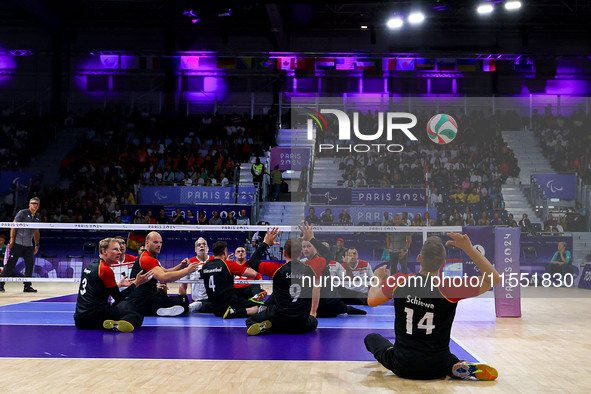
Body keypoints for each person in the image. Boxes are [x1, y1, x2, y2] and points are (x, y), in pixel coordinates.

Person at [364, 233, 500, 381]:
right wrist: (468, 248)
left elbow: (371, 300)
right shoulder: (449, 288)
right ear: (443, 263)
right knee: (442, 355)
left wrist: (378, 278)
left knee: (372, 338)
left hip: (403, 365)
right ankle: (454, 366)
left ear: (418, 259)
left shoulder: (398, 281)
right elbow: (494, 279)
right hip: (438, 367)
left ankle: (453, 365)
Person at [245, 227, 321, 335]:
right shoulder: (310, 271)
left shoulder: (276, 269)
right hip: (300, 323)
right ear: (300, 253)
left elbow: (252, 262)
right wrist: (313, 313)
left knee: (250, 320)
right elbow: (316, 289)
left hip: (279, 319)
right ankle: (278, 325)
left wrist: (265, 243)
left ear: (284, 253)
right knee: (313, 322)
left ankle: (267, 327)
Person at [74, 237, 152, 332]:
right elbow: (119, 298)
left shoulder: (91, 265)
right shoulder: (105, 269)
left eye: (119, 249)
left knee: (117, 307)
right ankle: (114, 325)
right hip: (94, 316)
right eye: (115, 249)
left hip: (79, 318)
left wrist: (118, 285)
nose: (119, 252)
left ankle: (110, 323)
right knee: (137, 316)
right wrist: (136, 284)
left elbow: (99, 290)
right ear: (104, 251)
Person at [126, 231, 200, 317]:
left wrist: (181, 266)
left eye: (160, 242)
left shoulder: (149, 257)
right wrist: (187, 270)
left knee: (161, 292)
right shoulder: (146, 259)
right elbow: (164, 277)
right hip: (141, 302)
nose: (159, 245)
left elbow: (165, 272)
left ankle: (160, 309)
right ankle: (185, 308)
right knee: (183, 300)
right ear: (147, 243)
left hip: (140, 300)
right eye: (155, 242)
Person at [300, 233, 366, 317]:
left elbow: (327, 253)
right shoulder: (306, 262)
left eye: (309, 246)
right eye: (304, 247)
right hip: (328, 306)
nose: (306, 249)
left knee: (339, 288)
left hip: (321, 307)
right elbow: (327, 253)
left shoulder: (320, 261)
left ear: (315, 248)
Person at [201, 240, 265, 319]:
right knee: (263, 307)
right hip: (230, 303)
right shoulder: (228, 264)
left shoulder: (205, 266)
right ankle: (235, 312)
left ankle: (197, 305)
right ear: (225, 252)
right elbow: (253, 273)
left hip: (215, 307)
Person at [0, 197, 41, 293]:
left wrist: (37, 244)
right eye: (34, 203)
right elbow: (13, 227)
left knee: (30, 265)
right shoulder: (22, 213)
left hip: (29, 245)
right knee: (10, 264)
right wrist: (12, 240)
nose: (35, 205)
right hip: (18, 243)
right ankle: (1, 284)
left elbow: (36, 232)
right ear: (29, 204)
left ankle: (27, 286)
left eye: (37, 204)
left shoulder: (37, 217)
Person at [178, 237, 216, 313]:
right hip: (196, 300)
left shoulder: (215, 261)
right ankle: (194, 305)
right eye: (199, 245)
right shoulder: (189, 263)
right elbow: (182, 285)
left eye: (204, 244)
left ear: (208, 248)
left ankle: (193, 306)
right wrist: (183, 302)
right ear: (195, 249)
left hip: (212, 300)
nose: (201, 246)